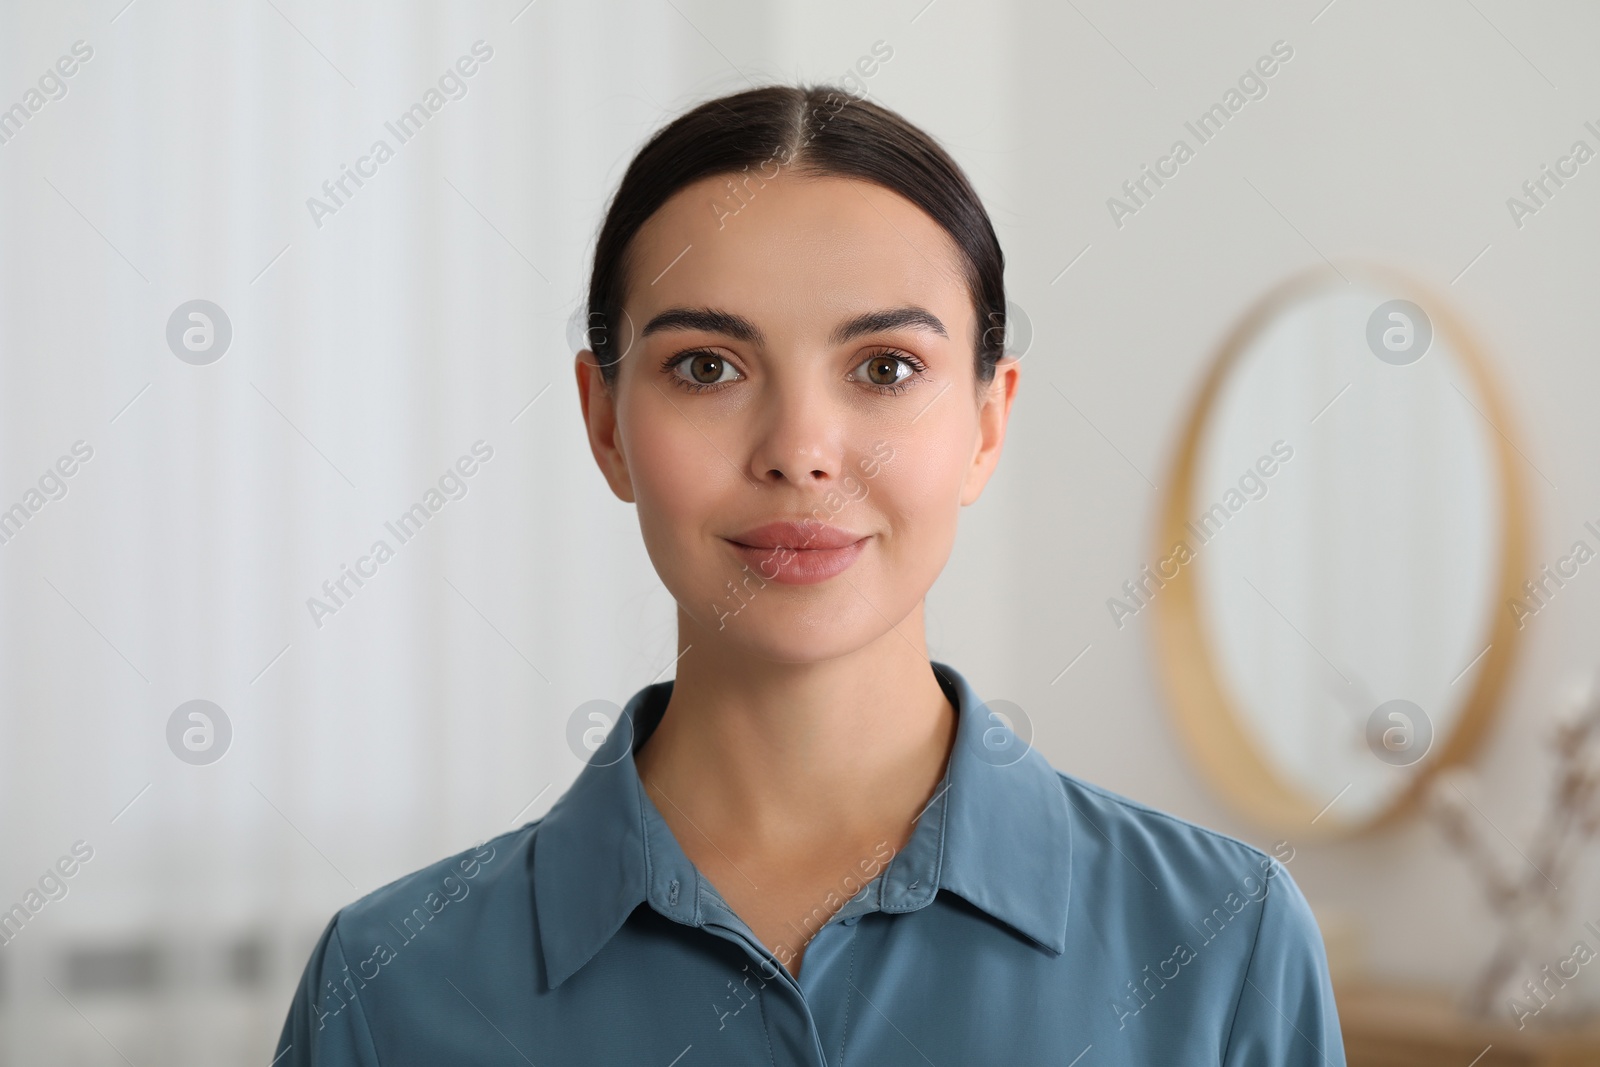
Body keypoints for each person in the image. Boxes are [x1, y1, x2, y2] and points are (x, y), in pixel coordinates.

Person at [275, 82, 1346, 1065]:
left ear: (986, 421)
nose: (800, 448)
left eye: (884, 368)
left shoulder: (1224, 939)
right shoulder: (387, 986)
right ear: (604, 421)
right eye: (707, 366)